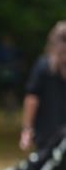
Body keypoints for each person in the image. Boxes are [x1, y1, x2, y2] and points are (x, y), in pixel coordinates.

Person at [20, 20, 66, 152]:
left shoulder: (43, 65)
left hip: (46, 135)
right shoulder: (44, 66)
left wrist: (27, 130)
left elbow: (32, 99)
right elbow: (32, 99)